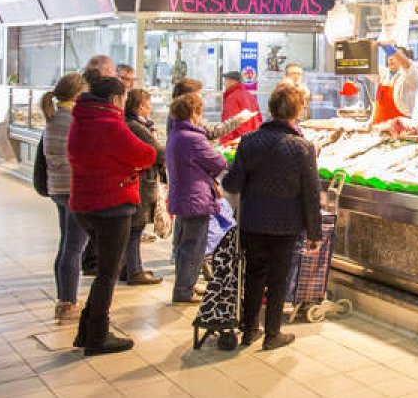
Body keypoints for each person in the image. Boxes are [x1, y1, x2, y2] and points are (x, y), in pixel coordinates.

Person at [223, 84, 321, 350]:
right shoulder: (303, 147)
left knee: (253, 275)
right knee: (279, 278)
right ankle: (273, 334)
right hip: (286, 226)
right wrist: (315, 233)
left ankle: (249, 329)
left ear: (270, 109)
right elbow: (312, 195)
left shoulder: (249, 141)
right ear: (297, 111)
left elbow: (233, 184)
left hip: (253, 222)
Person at [67, 76, 156, 356]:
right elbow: (146, 155)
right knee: (109, 272)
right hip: (112, 205)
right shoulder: (111, 125)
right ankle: (98, 336)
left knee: (105, 270)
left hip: (83, 203)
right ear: (116, 99)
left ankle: (87, 330)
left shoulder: (79, 120)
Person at [166, 92, 229, 304]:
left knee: (186, 245)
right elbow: (218, 162)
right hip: (195, 198)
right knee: (194, 246)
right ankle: (184, 290)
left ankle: (185, 286)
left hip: (183, 195)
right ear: (194, 112)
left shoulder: (177, 134)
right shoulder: (193, 138)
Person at [41, 72, 89, 322]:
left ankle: (64, 299)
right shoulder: (72, 119)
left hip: (58, 188)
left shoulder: (54, 117)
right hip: (73, 189)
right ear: (78, 93)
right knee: (74, 249)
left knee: (66, 246)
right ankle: (68, 302)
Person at [78, 56, 116, 277]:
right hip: (97, 186)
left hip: (83, 185)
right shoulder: (104, 119)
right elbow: (145, 154)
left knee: (78, 238)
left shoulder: (83, 111)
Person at [121, 89, 163, 286]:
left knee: (133, 229)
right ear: (139, 107)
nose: (151, 107)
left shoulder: (137, 124)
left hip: (141, 180)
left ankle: (129, 267)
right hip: (142, 182)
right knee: (135, 229)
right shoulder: (136, 126)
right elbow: (157, 152)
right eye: (148, 104)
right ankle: (134, 270)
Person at [171, 78, 251, 141]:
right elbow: (211, 132)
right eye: (199, 93)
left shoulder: (176, 114)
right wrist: (238, 119)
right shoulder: (187, 117)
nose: (201, 96)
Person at [372, 45, 418, 123]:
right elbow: (366, 68)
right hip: (379, 129)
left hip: (400, 130)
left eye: (395, 56)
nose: (390, 58)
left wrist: (390, 48)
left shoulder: (410, 77)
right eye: (389, 55)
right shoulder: (384, 74)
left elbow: (408, 66)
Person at [220, 71, 262, 142]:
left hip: (237, 141)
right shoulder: (249, 96)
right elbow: (259, 118)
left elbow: (228, 121)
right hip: (252, 138)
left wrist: (225, 143)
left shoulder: (232, 98)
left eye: (226, 80)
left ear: (232, 81)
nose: (224, 84)